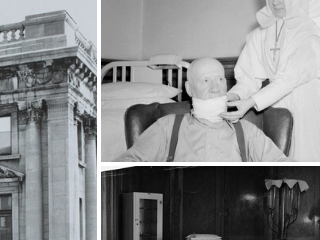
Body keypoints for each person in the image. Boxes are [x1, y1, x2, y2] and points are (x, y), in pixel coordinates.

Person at [223, 0, 320, 162]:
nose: (275, 2)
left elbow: (289, 79)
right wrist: (233, 96)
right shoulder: (259, 33)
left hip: (307, 104)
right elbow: (248, 78)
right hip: (274, 104)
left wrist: (252, 102)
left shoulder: (308, 32)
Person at [116, 58, 290, 162]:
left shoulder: (247, 132)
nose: (216, 88)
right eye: (206, 81)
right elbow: (129, 160)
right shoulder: (167, 127)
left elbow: (283, 164)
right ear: (190, 89)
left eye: (220, 79)